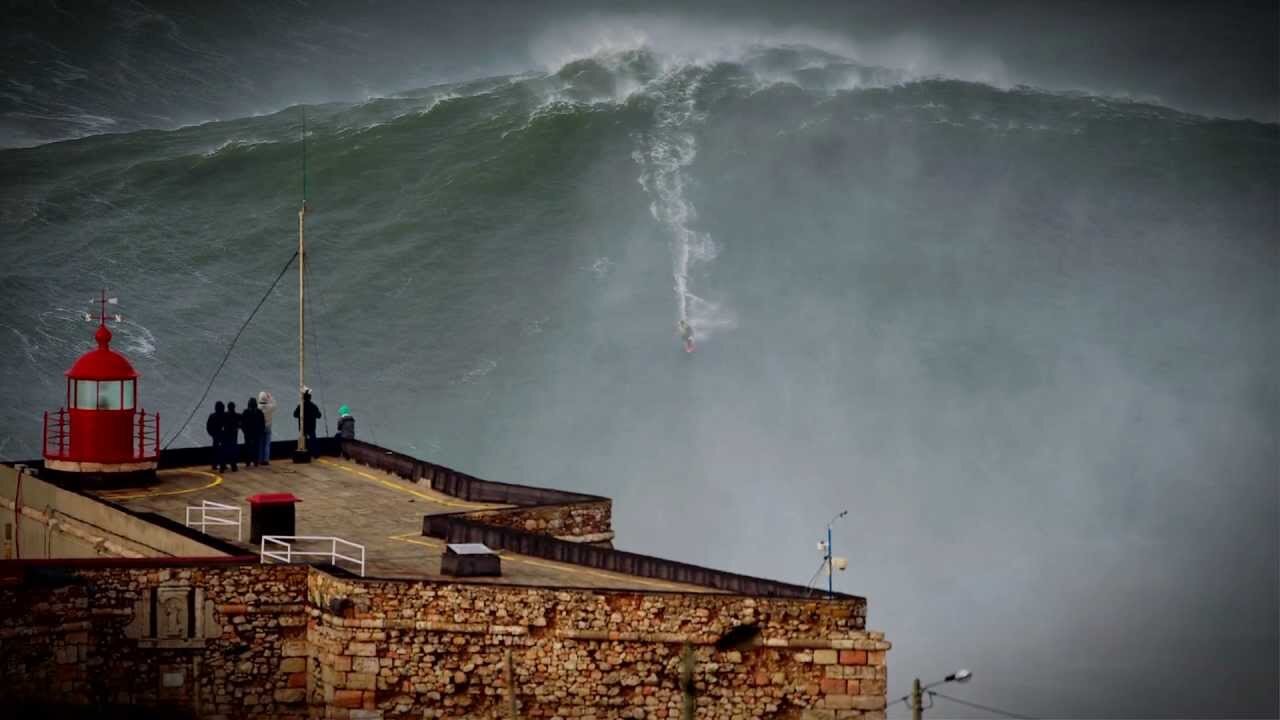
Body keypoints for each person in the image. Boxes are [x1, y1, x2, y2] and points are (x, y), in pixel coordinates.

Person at [293, 387, 321, 452]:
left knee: (303, 441)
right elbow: (319, 416)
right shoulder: (313, 406)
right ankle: (315, 454)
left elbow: (295, 415)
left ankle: (304, 452)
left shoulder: (300, 406)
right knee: (313, 440)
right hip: (311, 426)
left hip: (303, 427)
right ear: (310, 397)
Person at [241, 397, 265, 467]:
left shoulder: (245, 412)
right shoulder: (259, 412)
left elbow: (242, 423)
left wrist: (244, 432)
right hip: (256, 433)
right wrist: (260, 432)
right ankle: (255, 461)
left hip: (248, 433)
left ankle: (248, 461)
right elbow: (262, 423)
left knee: (247, 448)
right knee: (256, 448)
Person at [257, 390, 276, 465]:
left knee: (261, 443)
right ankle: (266, 459)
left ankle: (260, 459)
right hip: (268, 426)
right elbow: (275, 404)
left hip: (260, 427)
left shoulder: (258, 408)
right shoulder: (270, 407)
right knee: (267, 444)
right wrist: (270, 397)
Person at [221, 401, 241, 472]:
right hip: (233, 436)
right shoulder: (237, 415)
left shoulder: (224, 415)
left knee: (225, 451)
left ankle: (222, 467)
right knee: (233, 452)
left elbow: (221, 424)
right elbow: (240, 424)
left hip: (226, 436)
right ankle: (233, 466)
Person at [206, 401, 225, 471]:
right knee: (222, 451)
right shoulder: (224, 416)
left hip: (216, 436)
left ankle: (215, 465)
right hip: (221, 436)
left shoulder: (212, 416)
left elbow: (208, 427)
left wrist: (212, 434)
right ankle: (222, 464)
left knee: (216, 451)